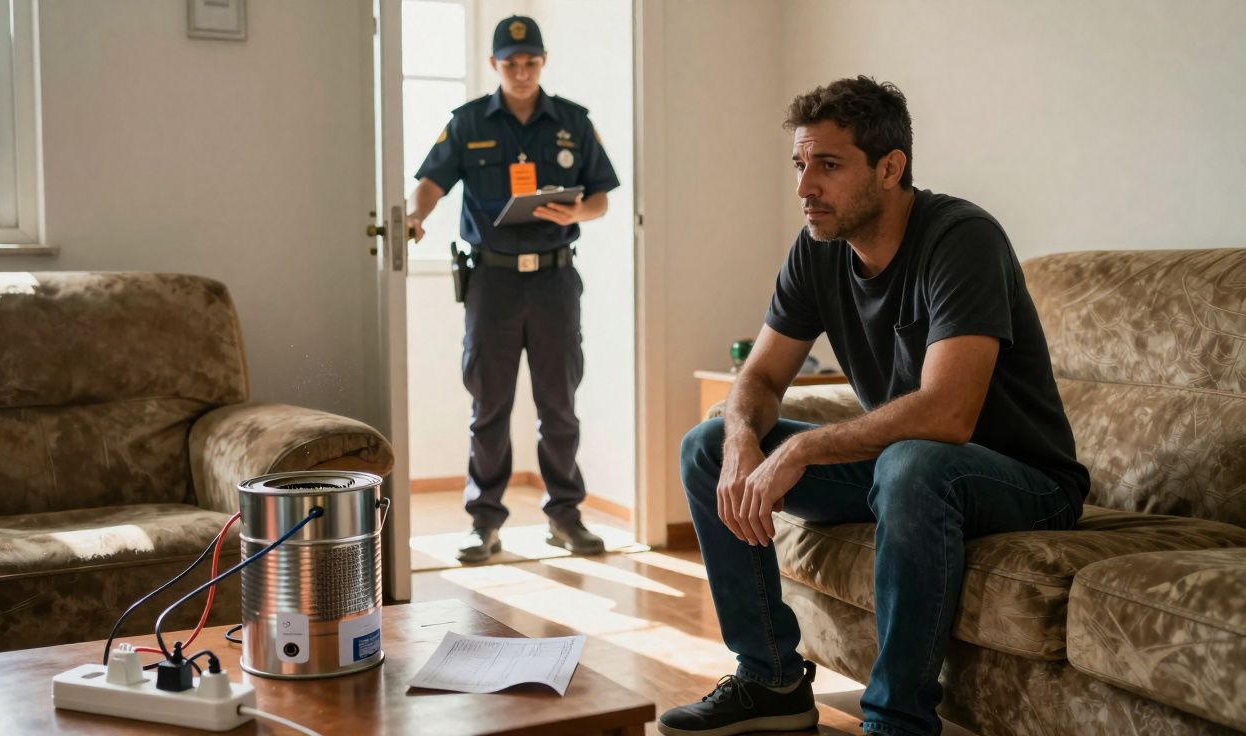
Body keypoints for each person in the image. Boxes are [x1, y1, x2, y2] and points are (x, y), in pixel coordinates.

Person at [658, 76, 1089, 736]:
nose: (805, 188)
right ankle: (771, 679)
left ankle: (896, 722)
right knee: (707, 446)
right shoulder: (818, 249)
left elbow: (948, 414)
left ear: (890, 168)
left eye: (828, 166)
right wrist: (741, 435)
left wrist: (802, 448)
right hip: (907, 473)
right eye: (800, 165)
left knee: (911, 463)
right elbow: (760, 376)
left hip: (1025, 481)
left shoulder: (961, 239)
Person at [406, 16, 620, 564]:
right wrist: (414, 216)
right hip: (492, 281)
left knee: (559, 405)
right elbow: (431, 182)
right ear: (494, 64)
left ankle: (564, 516)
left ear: (543, 61)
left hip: (554, 279)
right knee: (489, 406)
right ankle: (484, 522)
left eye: (531, 62)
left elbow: (601, 197)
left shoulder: (573, 122)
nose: (521, 72)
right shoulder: (468, 122)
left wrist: (578, 212)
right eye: (511, 63)